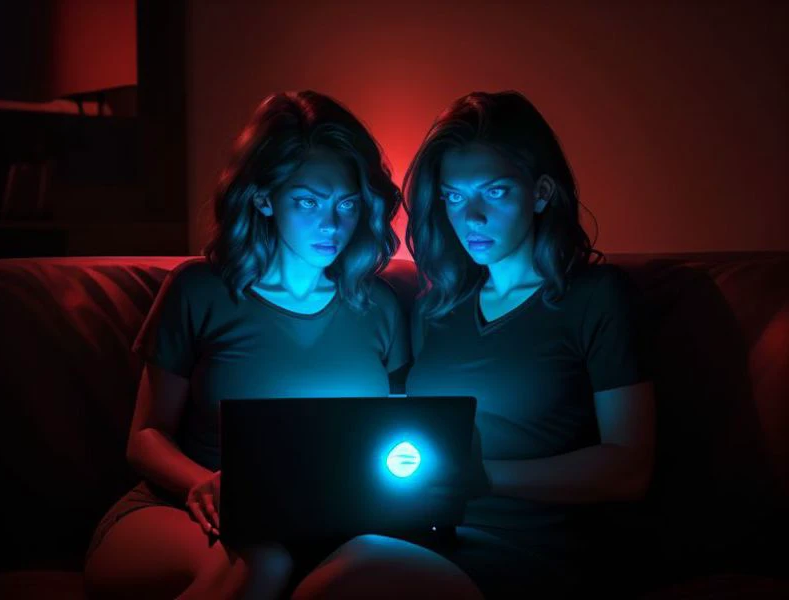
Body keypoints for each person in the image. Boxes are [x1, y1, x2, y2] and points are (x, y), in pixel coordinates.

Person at [291, 91, 656, 599]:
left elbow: (629, 469)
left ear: (541, 191)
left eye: (496, 192)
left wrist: (486, 479)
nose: (473, 217)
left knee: (350, 576)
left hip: (533, 546)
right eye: (455, 197)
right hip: (426, 531)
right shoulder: (438, 306)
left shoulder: (596, 298)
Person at [83, 90, 411, 600]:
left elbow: (398, 432)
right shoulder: (201, 290)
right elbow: (145, 436)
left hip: (321, 521)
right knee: (261, 560)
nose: (331, 224)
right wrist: (205, 483)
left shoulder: (380, 307)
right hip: (178, 513)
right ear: (263, 197)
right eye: (307, 202)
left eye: (346, 204)